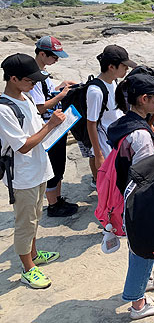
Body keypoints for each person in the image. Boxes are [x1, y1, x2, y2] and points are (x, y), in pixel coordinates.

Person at [108, 74, 154, 320]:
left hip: (125, 197)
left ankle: (142, 287)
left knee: (139, 248)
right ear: (144, 99)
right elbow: (145, 176)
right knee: (142, 251)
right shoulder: (142, 135)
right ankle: (137, 304)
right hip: (140, 204)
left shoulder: (123, 124)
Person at [0, 53, 65, 288]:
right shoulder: (3, 109)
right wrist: (51, 125)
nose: (34, 84)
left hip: (38, 169)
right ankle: (28, 268)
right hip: (23, 175)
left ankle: (34, 255)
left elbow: (36, 130)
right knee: (24, 222)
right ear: (14, 79)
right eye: (30, 81)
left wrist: (55, 126)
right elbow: (23, 146)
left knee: (35, 218)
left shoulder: (25, 99)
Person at [29, 36, 78, 217]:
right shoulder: (33, 76)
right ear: (42, 54)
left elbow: (45, 95)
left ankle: (57, 199)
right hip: (47, 127)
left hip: (56, 124)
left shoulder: (42, 73)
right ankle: (53, 206)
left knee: (58, 165)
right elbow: (39, 106)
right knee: (52, 166)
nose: (56, 60)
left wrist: (60, 87)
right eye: (54, 56)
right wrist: (61, 96)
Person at [87, 45, 136, 177]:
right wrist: (98, 155)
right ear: (111, 67)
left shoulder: (113, 81)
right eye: (124, 66)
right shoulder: (95, 92)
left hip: (116, 136)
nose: (127, 69)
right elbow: (91, 123)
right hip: (106, 142)